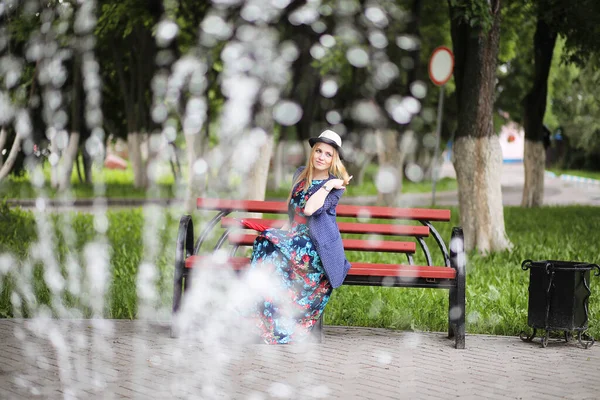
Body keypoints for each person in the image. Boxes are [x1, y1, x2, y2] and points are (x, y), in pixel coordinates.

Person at [247, 129, 352, 344]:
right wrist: (279, 236)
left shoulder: (335, 187)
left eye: (328, 154)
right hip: (294, 240)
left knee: (269, 247)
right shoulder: (300, 174)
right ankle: (260, 320)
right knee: (264, 245)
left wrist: (329, 184)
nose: (321, 157)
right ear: (312, 152)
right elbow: (293, 212)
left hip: (314, 248)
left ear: (335, 159)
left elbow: (311, 209)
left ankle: (276, 325)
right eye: (318, 151)